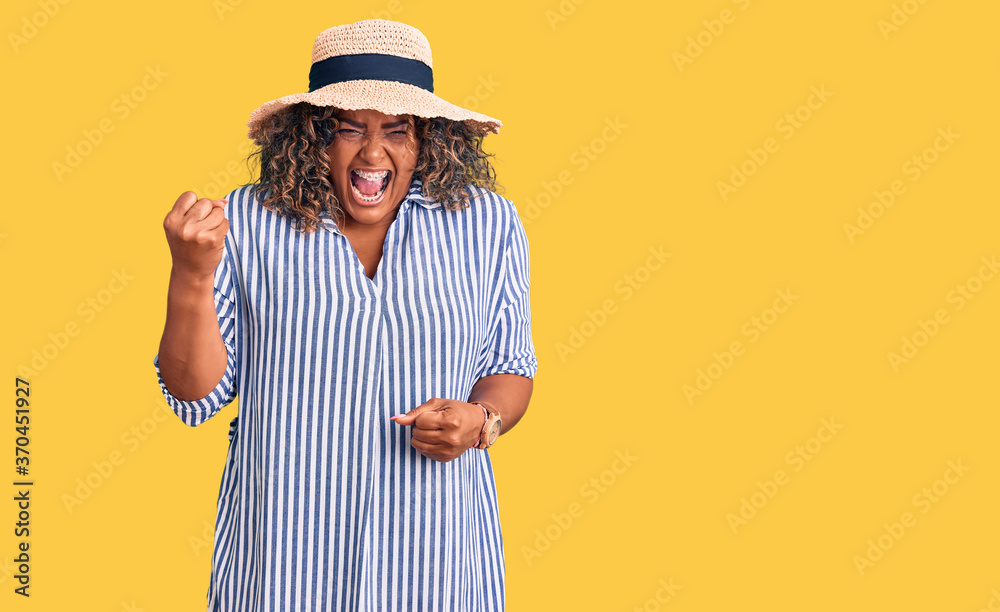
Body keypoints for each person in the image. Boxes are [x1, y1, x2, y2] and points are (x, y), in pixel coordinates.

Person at [153, 19, 537, 612]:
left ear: (428, 139)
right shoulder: (248, 222)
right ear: (310, 137)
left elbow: (511, 366)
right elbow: (194, 395)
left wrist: (481, 420)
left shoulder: (487, 224)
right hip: (284, 566)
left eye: (396, 130)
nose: (372, 152)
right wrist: (191, 276)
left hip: (435, 562)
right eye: (348, 128)